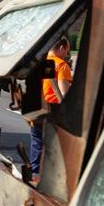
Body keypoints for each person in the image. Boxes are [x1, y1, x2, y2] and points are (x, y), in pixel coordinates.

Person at [28, 35, 73, 178]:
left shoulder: (41, 62)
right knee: (56, 147)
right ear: (61, 48)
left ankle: (33, 175)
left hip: (35, 108)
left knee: (37, 143)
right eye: (67, 51)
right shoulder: (61, 65)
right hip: (52, 111)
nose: (66, 55)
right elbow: (63, 93)